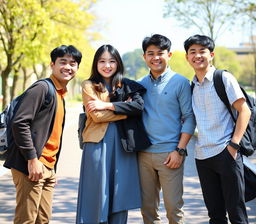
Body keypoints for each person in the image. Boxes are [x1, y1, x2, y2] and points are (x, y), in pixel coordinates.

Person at [4, 45, 82, 224]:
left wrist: (51, 170)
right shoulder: (42, 88)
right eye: (63, 62)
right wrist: (32, 159)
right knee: (26, 220)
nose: (68, 67)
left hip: (46, 166)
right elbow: (20, 122)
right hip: (30, 164)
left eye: (73, 63)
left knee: (43, 219)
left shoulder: (60, 94)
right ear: (52, 64)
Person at [76, 44, 147, 224]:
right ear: (96, 64)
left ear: (118, 64)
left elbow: (138, 107)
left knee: (119, 193)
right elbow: (97, 116)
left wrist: (108, 105)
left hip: (123, 145)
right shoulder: (89, 85)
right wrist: (125, 111)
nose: (107, 66)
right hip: (97, 144)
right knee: (96, 194)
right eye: (102, 61)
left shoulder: (126, 84)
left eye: (111, 61)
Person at [184, 34, 251, 224]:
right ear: (187, 57)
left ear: (211, 54)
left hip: (226, 152)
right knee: (215, 214)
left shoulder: (223, 78)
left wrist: (234, 145)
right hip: (202, 156)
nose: (197, 56)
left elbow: (244, 111)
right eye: (192, 52)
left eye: (202, 51)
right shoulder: (192, 86)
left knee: (236, 212)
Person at [137, 34, 196, 224]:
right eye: (150, 53)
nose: (155, 58)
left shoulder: (180, 82)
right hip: (143, 155)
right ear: (144, 57)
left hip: (170, 155)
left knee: (173, 209)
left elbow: (189, 118)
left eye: (160, 53)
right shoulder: (139, 85)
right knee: (147, 210)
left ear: (169, 54)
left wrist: (180, 150)